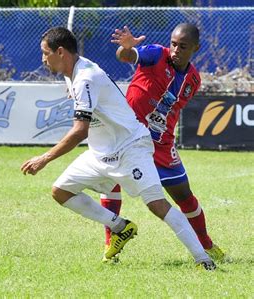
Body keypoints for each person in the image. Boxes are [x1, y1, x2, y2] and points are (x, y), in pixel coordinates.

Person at [20, 26, 216, 270]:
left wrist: (45, 158)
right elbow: (125, 58)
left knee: (158, 204)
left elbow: (80, 130)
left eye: (45, 53)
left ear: (61, 52)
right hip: (102, 152)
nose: (42, 58)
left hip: (130, 146)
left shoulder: (85, 78)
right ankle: (120, 227)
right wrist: (126, 48)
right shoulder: (72, 72)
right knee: (61, 191)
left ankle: (204, 259)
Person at [103, 24, 225, 261]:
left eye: (183, 46)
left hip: (160, 143)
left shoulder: (193, 80)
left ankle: (207, 245)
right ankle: (110, 245)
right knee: (110, 182)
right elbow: (127, 55)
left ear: (195, 48)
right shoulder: (156, 54)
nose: (176, 49)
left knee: (184, 195)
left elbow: (168, 110)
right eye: (174, 43)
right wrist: (126, 48)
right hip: (128, 136)